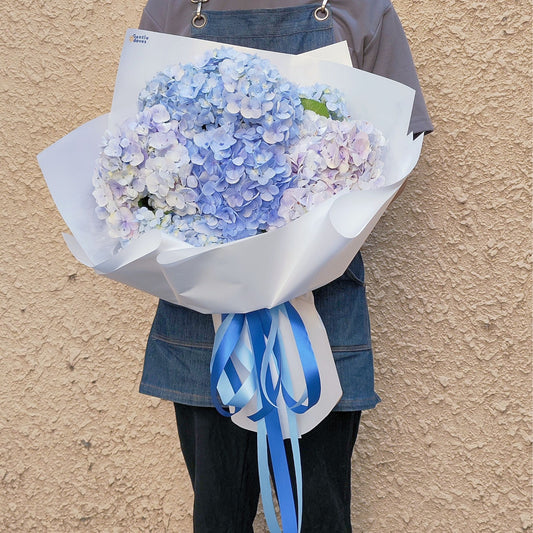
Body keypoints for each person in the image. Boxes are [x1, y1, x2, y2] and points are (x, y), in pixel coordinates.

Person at [137, 1, 433, 531]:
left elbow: (397, 149)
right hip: (204, 321)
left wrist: (306, 256)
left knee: (320, 516)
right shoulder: (173, 8)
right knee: (217, 518)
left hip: (319, 307)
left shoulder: (361, 9)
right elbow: (142, 150)